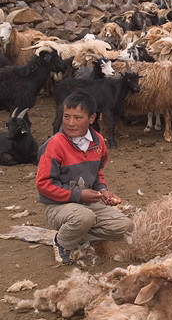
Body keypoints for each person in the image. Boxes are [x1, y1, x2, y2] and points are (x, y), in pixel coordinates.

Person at [36, 91, 133, 265]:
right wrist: (79, 195)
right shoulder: (55, 145)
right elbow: (44, 184)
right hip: (57, 205)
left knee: (124, 226)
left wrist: (102, 190)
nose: (70, 123)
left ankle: (75, 234)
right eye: (66, 117)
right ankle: (62, 242)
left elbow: (96, 173)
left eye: (78, 118)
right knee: (84, 217)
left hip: (85, 203)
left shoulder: (98, 143)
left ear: (92, 118)